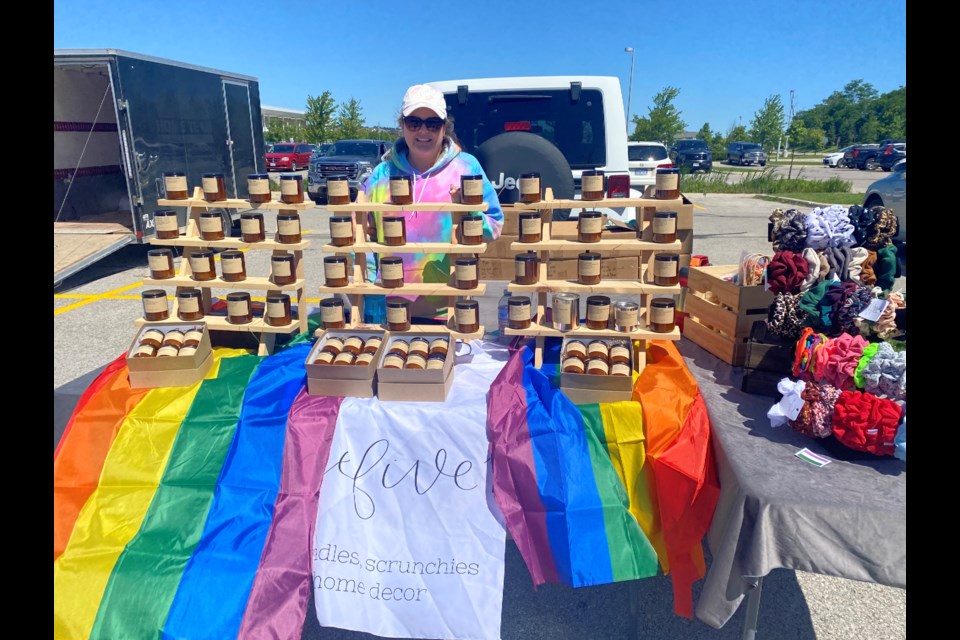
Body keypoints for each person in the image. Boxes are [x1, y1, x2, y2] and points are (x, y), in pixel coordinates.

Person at [359, 84, 504, 324]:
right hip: (389, 309)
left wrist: (466, 212)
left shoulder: (467, 168)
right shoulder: (381, 175)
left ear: (444, 127)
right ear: (402, 125)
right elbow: (362, 236)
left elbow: (495, 225)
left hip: (446, 308)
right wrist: (370, 287)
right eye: (414, 122)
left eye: (433, 123)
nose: (423, 131)